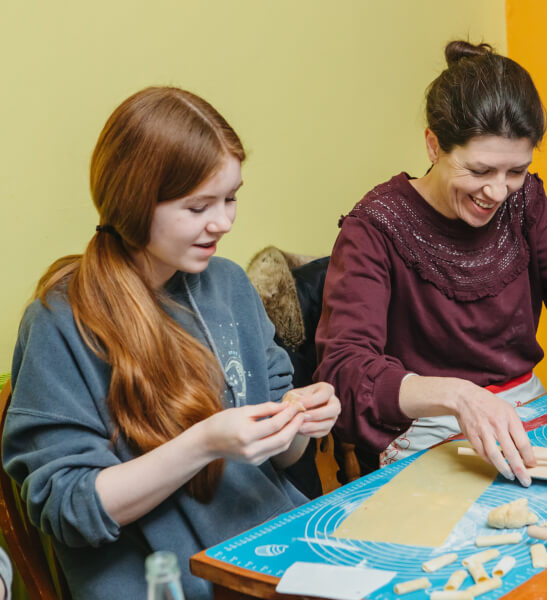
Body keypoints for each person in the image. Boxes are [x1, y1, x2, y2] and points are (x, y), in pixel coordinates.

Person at [1, 87, 340, 600]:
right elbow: (67, 508)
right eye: (198, 206)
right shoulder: (60, 320)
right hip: (166, 584)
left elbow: (283, 458)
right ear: (135, 204)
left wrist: (300, 419)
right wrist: (204, 443)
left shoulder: (228, 284)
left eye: (231, 198)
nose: (223, 222)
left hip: (273, 561)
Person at [315, 41, 547, 486]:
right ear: (434, 145)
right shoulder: (376, 229)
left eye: (515, 171)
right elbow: (345, 372)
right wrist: (458, 396)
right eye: (479, 171)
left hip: (527, 414)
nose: (498, 191)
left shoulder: (524, 204)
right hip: (428, 431)